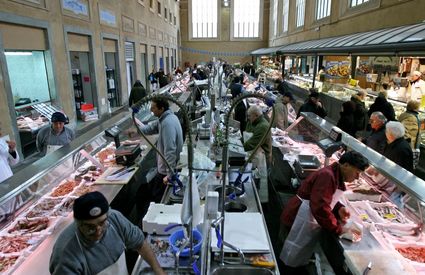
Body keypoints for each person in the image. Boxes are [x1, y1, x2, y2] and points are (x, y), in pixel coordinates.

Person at [280, 151, 369, 270]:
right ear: (346, 165)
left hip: (305, 217)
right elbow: (320, 207)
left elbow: (325, 196)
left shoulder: (334, 174)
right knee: (288, 257)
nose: (357, 177)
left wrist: (339, 208)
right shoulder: (328, 176)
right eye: (357, 172)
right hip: (296, 218)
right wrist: (338, 229)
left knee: (294, 256)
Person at [49, 191, 165, 275]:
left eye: (102, 223)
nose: (98, 231)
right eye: (90, 227)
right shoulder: (64, 254)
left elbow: (139, 243)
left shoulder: (114, 218)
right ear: (78, 223)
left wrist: (158, 270)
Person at [135, 97, 183, 220]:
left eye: (153, 108)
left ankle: (156, 220)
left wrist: (169, 174)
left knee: (157, 197)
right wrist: (137, 129)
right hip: (164, 169)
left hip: (165, 172)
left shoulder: (167, 123)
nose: (151, 110)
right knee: (150, 192)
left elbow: (170, 150)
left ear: (161, 108)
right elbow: (151, 128)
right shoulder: (165, 118)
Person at [243, 106, 271, 203]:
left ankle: (260, 202)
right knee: (253, 178)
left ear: (256, 115)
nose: (248, 118)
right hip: (253, 154)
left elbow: (252, 143)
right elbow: (247, 134)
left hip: (260, 157)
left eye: (249, 116)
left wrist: (237, 147)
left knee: (260, 180)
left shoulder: (263, 126)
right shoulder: (253, 122)